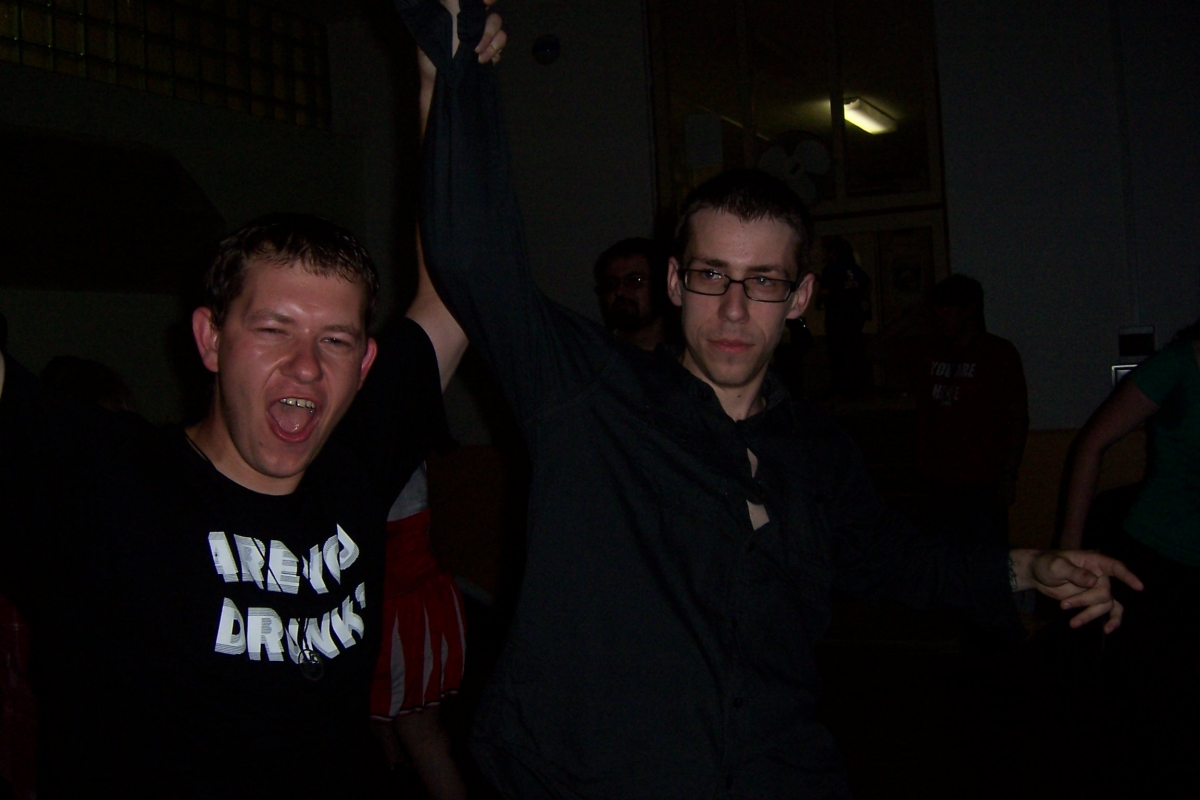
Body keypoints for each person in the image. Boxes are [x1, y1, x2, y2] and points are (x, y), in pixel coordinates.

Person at [400, 2, 1140, 796]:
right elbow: (471, 259)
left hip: (773, 770)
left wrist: (1030, 568)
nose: (732, 308)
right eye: (712, 275)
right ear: (676, 281)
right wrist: (456, 71)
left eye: (762, 282)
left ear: (800, 298)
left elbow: (895, 561)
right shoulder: (591, 395)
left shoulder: (817, 451)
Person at [0, 212, 475, 797]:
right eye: (274, 329)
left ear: (363, 366)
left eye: (335, 340)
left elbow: (453, 292)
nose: (307, 365)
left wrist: (445, 143)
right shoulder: (102, 479)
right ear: (211, 340)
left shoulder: (355, 462)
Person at [1059, 316, 1200, 792]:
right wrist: (1070, 556)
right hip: (1157, 561)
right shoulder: (1179, 365)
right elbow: (1091, 445)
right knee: (1146, 707)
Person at [370, 464, 468, 800]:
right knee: (385, 720)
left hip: (407, 609)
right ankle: (396, 772)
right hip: (380, 607)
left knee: (422, 735)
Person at [911, 276, 1028, 546]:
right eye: (938, 311)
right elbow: (877, 350)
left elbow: (1018, 418)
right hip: (934, 476)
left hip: (981, 478)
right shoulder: (932, 349)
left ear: (968, 311)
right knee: (939, 551)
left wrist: (1009, 476)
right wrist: (915, 316)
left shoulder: (997, 352)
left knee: (983, 552)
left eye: (947, 310)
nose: (940, 318)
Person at [593, 237, 672, 351]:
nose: (619, 291)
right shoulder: (592, 352)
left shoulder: (687, 356)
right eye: (611, 284)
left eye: (634, 281)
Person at [817, 236, 871, 395]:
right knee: (854, 350)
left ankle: (841, 387)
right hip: (854, 317)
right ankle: (856, 387)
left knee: (838, 352)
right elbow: (866, 284)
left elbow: (826, 290)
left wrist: (821, 298)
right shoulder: (853, 268)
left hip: (837, 317)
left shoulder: (832, 268)